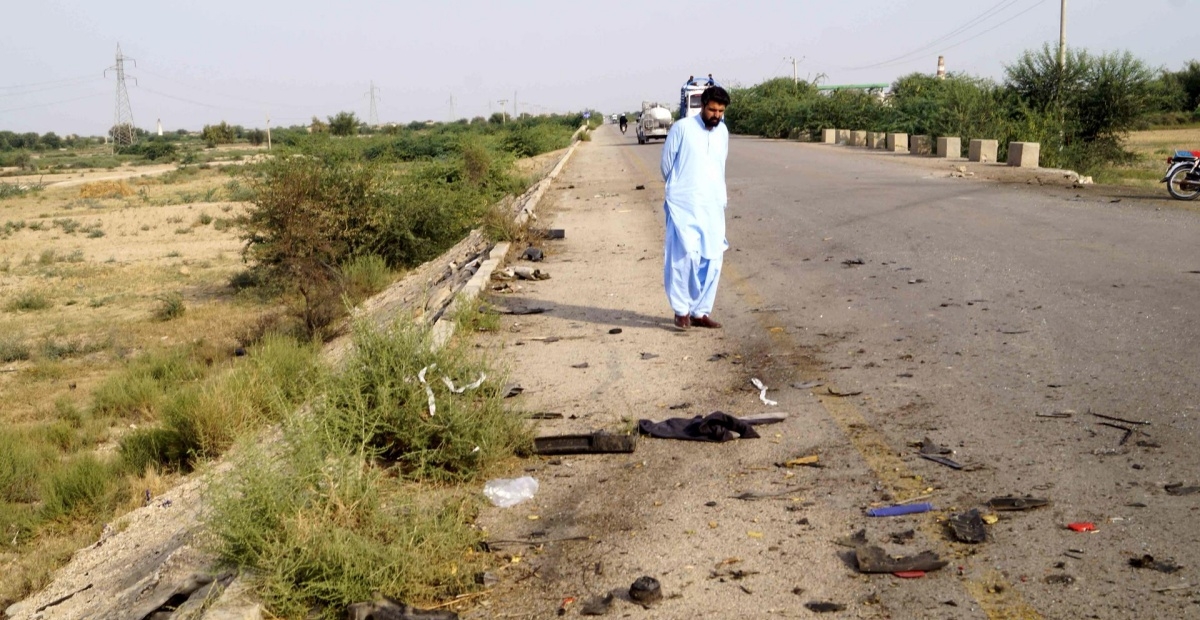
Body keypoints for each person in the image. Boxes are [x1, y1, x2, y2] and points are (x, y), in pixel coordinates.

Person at [659, 86, 730, 330]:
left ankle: (700, 312)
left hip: (713, 204)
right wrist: (680, 189)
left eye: (721, 111)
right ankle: (681, 310)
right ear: (702, 105)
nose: (716, 115)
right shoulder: (682, 128)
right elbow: (667, 165)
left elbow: (719, 165)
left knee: (712, 258)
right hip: (684, 204)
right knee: (684, 256)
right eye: (712, 109)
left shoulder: (723, 132)